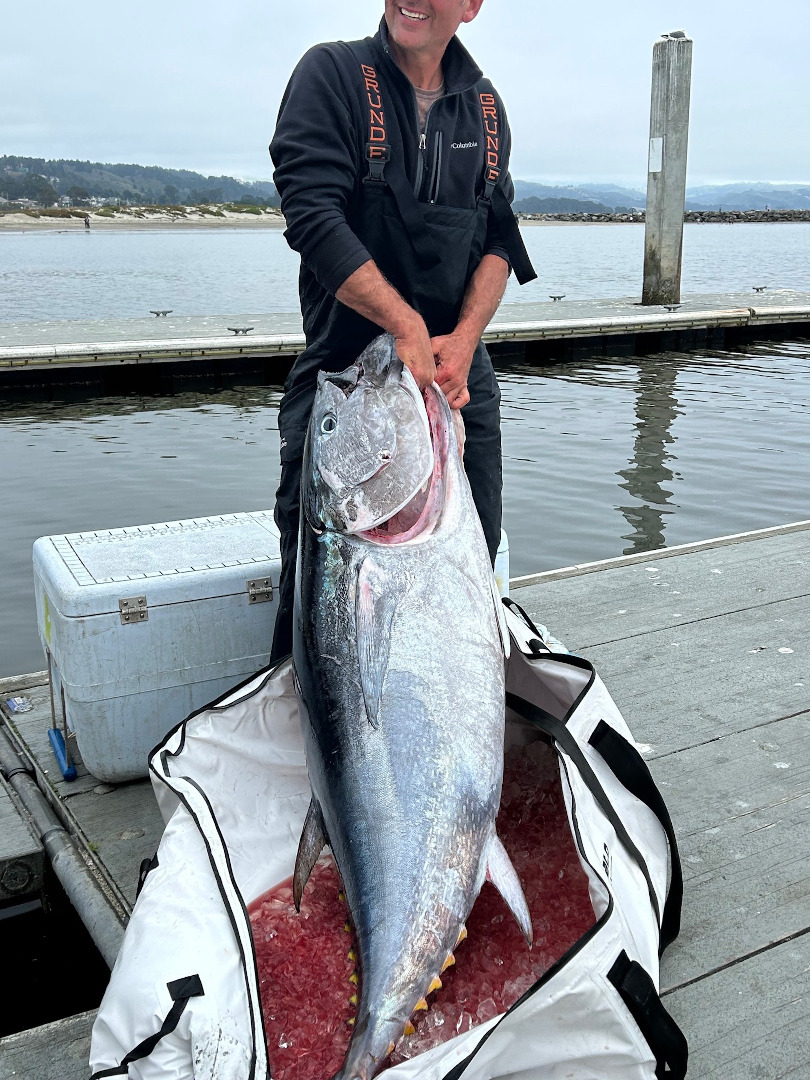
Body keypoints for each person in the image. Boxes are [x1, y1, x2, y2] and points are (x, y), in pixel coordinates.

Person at [269, 0, 535, 661]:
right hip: (352, 383)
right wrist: (404, 324)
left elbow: (501, 238)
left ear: (472, 5)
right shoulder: (330, 73)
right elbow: (311, 217)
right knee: (325, 601)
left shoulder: (486, 105)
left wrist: (465, 335)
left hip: (455, 384)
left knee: (463, 578)